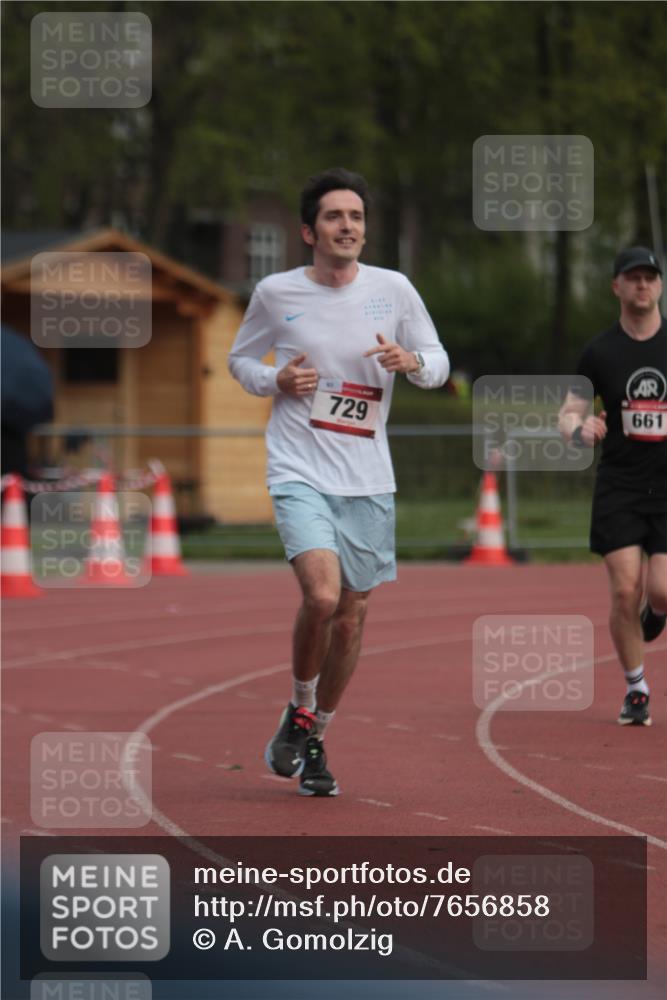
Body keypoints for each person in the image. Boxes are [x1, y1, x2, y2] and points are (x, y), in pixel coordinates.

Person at [228, 167, 450, 795]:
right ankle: (301, 706)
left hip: (367, 477)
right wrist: (275, 380)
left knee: (351, 616)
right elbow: (240, 360)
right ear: (309, 231)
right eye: (334, 216)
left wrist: (412, 361)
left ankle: (314, 734)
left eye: (355, 216)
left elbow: (438, 362)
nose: (347, 226)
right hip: (299, 468)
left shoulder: (394, 289)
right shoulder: (276, 292)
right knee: (323, 597)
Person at [559, 246, 667, 727]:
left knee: (661, 592)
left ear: (659, 285)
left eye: (650, 277)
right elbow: (568, 413)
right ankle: (636, 689)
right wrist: (578, 430)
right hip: (621, 484)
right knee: (625, 591)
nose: (642, 285)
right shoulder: (599, 352)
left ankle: (657, 611)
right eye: (633, 277)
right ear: (616, 286)